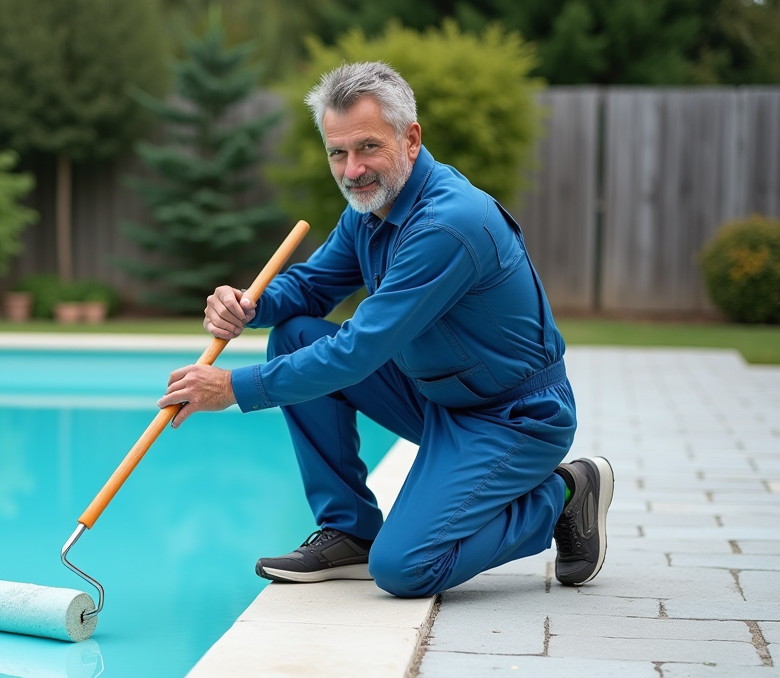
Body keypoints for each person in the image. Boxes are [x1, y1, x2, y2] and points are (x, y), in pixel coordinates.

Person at [156, 61, 614, 598]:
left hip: (511, 418)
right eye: (338, 152)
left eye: (367, 147)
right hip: (436, 396)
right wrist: (251, 305)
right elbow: (310, 289)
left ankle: (563, 492)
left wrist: (233, 388)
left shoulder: (448, 223)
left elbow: (359, 350)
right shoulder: (371, 207)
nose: (352, 170)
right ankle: (350, 530)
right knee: (296, 334)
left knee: (404, 568)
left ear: (410, 138)